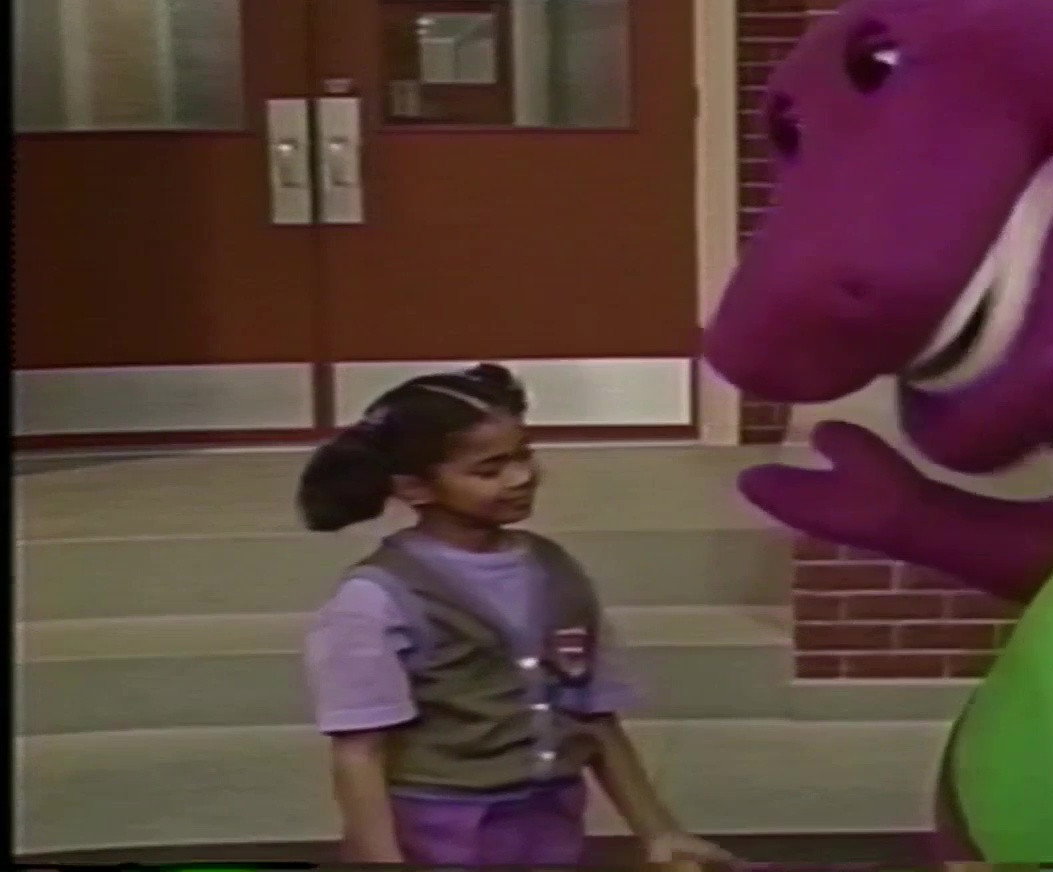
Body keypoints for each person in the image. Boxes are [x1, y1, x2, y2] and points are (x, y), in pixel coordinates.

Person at [298, 363, 735, 867]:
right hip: (441, 828)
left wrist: (658, 831)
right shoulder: (376, 597)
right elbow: (360, 752)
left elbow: (591, 713)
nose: (521, 477)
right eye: (489, 470)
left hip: (550, 819)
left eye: (524, 455)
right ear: (415, 488)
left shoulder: (555, 568)